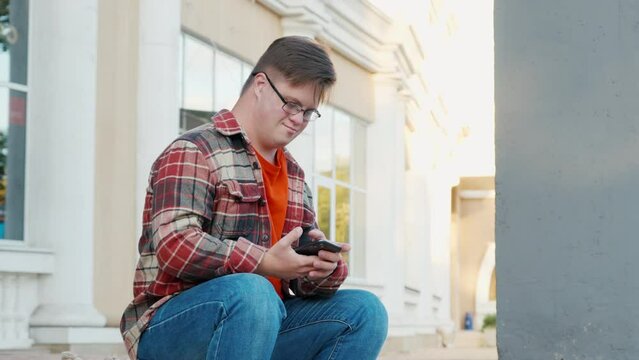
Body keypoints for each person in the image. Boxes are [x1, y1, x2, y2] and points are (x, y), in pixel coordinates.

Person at [120, 36, 388, 360]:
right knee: (253, 292)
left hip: (265, 326)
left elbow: (297, 283)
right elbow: (174, 245)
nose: (298, 119)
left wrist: (320, 269)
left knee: (366, 311)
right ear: (260, 84)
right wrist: (263, 262)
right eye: (291, 104)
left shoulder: (295, 177)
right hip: (172, 329)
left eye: (308, 112)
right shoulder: (194, 151)